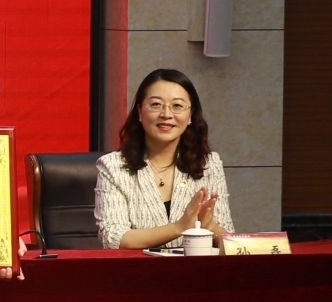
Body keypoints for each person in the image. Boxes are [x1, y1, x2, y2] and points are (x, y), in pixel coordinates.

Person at [94, 68, 233, 250]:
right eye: (156, 104)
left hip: (194, 267)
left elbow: (229, 240)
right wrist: (179, 227)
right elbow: (113, 238)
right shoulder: (114, 166)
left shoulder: (208, 164)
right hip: (137, 267)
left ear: (190, 116)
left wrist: (210, 226)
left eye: (177, 106)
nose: (166, 114)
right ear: (140, 111)